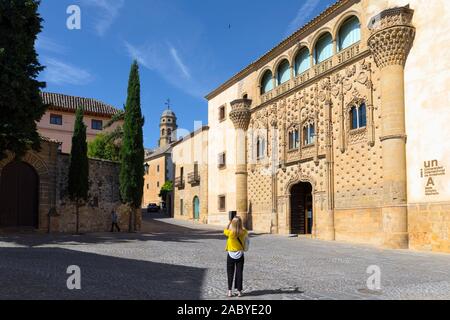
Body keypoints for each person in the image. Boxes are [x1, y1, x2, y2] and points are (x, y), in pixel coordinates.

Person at [224, 216, 248, 298]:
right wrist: (241, 224)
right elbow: (245, 231)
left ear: (232, 224)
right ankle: (239, 291)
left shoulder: (230, 233)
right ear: (240, 223)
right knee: (239, 273)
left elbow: (224, 230)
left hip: (230, 255)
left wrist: (230, 222)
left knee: (230, 273)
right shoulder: (244, 232)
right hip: (240, 255)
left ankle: (230, 291)